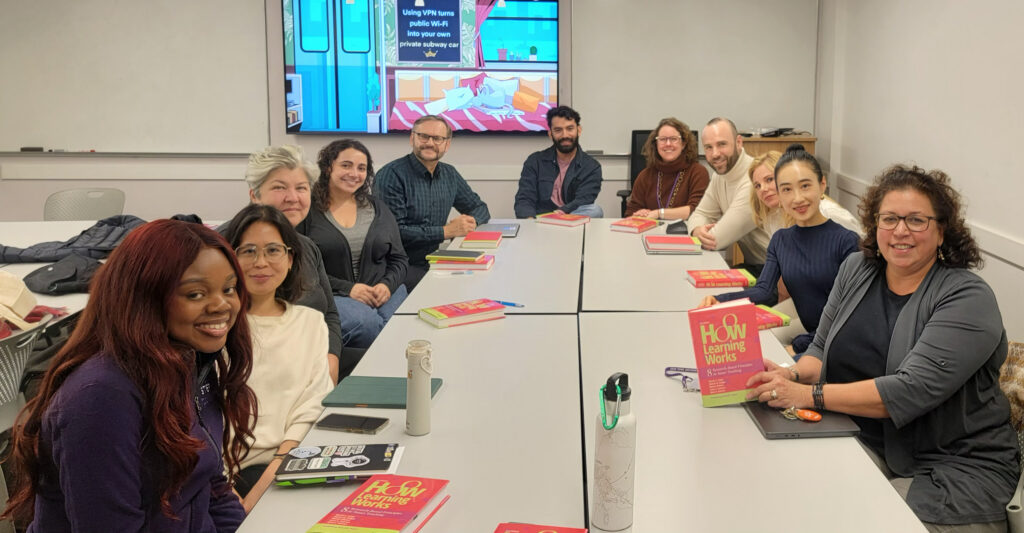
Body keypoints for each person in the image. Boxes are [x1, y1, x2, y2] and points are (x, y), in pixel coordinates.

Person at [746, 164, 1019, 531]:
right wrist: (788, 374)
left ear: (942, 231)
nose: (900, 231)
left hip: (953, 466)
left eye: (917, 220)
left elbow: (909, 391)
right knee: (783, 497)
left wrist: (807, 395)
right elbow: (822, 347)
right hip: (867, 440)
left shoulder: (967, 297)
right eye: (889, 219)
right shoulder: (858, 268)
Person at [2, 220, 256, 532]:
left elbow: (211, 485)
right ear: (145, 298)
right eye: (195, 294)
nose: (221, 304)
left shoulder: (193, 364)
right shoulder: (100, 397)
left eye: (229, 289)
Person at [221, 205, 333, 511]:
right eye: (248, 251)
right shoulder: (218, 326)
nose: (260, 263)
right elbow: (202, 421)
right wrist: (228, 496)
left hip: (293, 461)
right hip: (228, 476)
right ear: (231, 258)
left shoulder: (310, 323)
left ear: (290, 257)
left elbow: (312, 410)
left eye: (273, 250)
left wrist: (270, 480)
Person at [699, 145, 858, 354]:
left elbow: (850, 311)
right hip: (810, 323)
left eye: (805, 186)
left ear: (822, 185)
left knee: (775, 356)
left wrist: (800, 345)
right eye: (787, 189)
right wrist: (719, 300)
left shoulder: (843, 235)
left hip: (839, 337)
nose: (797, 198)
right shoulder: (780, 235)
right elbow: (764, 290)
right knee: (748, 342)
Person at [228, 144, 344, 381]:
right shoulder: (226, 247)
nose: (293, 198)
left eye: (301, 188)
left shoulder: (306, 246)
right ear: (255, 195)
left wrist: (332, 357)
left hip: (316, 355)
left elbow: (330, 313)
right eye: (279, 188)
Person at [298, 139, 409, 350]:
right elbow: (302, 270)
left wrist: (387, 285)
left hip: (383, 289)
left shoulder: (378, 208)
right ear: (329, 166)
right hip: (333, 293)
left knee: (403, 326)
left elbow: (399, 259)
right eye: (346, 165)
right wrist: (350, 289)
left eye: (361, 168)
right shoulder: (307, 210)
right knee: (368, 325)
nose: (354, 173)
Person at [374, 115, 490, 289]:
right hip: (396, 266)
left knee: (482, 279)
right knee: (453, 288)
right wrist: (446, 232)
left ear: (447, 144)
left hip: (433, 260)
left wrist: (469, 223)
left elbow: (479, 207)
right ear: (412, 138)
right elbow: (394, 233)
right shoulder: (391, 175)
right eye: (423, 136)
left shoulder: (449, 174)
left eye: (437, 138)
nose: (429, 143)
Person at [687, 117, 770, 272]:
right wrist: (697, 230)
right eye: (708, 147)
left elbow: (717, 240)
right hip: (756, 267)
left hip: (781, 275)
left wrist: (699, 233)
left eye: (722, 144)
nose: (715, 154)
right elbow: (700, 214)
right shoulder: (720, 176)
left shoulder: (755, 180)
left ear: (739, 142)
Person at [514, 106, 604, 219]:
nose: (565, 135)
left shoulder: (592, 166)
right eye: (558, 130)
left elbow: (583, 200)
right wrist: (530, 221)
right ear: (550, 134)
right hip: (541, 220)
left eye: (570, 128)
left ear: (579, 130)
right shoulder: (535, 161)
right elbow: (525, 198)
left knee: (595, 210)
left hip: (570, 218)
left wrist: (560, 214)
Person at [748, 149, 861, 238]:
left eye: (769, 180)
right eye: (757, 186)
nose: (763, 189)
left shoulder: (831, 215)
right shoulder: (774, 216)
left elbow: (861, 262)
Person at [625, 117, 709, 220]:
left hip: (684, 232)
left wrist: (659, 213)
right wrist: (638, 214)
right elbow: (629, 213)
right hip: (649, 232)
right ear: (656, 144)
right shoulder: (645, 175)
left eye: (674, 139)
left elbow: (696, 211)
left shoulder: (698, 172)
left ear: (683, 144)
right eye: (663, 139)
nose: (668, 144)